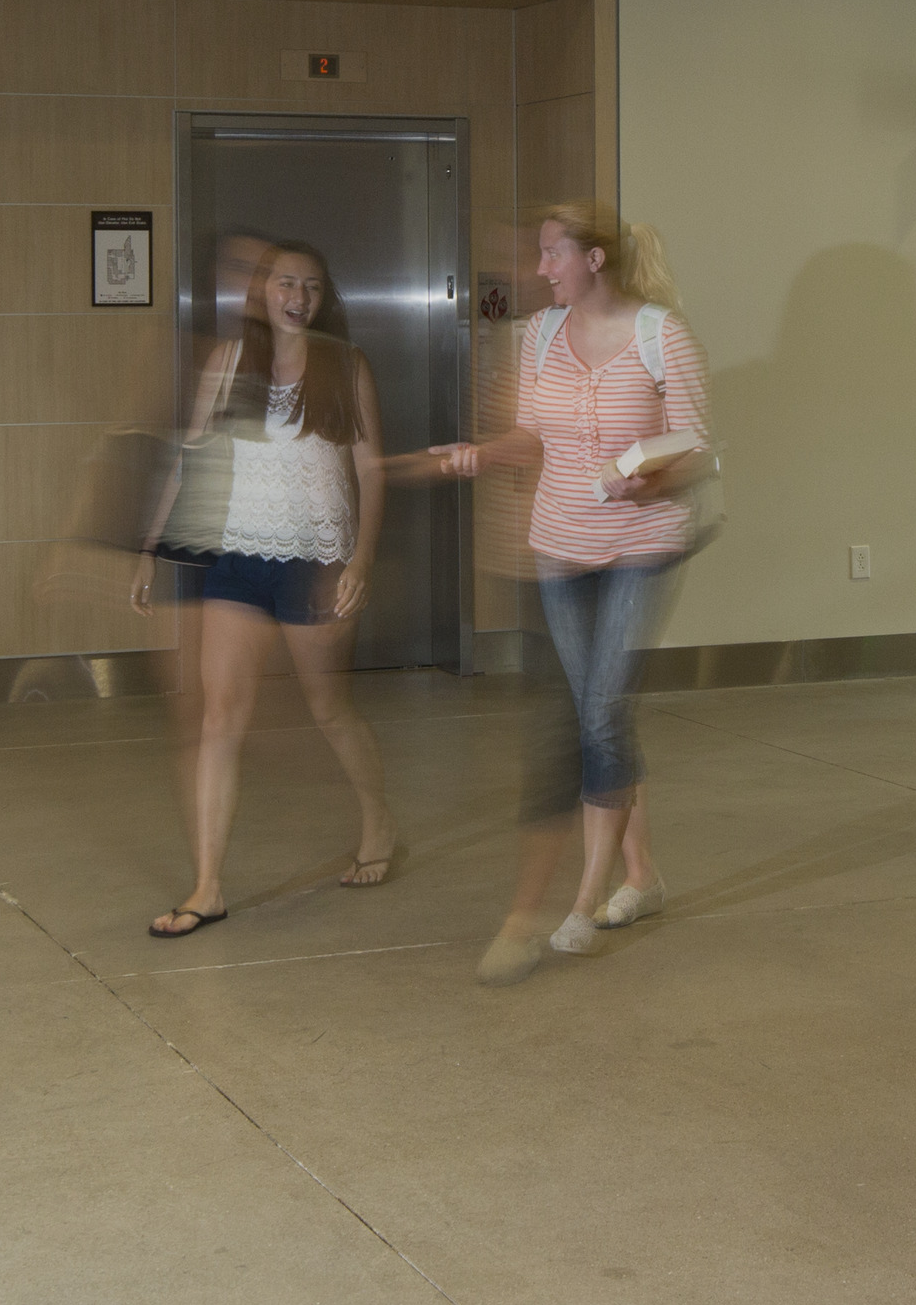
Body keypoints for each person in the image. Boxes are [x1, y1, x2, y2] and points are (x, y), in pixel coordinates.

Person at [405, 201, 709, 986]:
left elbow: (696, 450)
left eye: (551, 254)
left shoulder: (659, 334)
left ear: (594, 259)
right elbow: (532, 438)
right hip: (560, 546)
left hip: (641, 546)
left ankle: (583, 899)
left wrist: (648, 480)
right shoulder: (539, 335)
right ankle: (642, 876)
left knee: (602, 713)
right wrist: (481, 454)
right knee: (595, 715)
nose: (540, 269)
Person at [131, 239, 398, 937]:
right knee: (220, 716)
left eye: (312, 286)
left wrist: (362, 560)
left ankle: (378, 819)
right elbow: (189, 457)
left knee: (329, 708)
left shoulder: (347, 367)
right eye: (286, 282)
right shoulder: (229, 362)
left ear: (323, 296)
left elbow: (371, 471)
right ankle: (208, 885)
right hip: (235, 557)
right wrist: (150, 548)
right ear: (263, 290)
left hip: (316, 560)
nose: (298, 297)